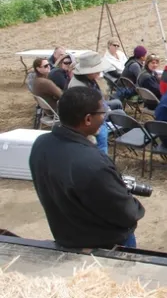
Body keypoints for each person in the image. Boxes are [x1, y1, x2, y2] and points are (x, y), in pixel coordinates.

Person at [29, 87, 145, 249]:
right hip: (105, 245)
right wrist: (134, 203)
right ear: (88, 119)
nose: (104, 117)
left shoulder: (41, 144)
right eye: (102, 112)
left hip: (67, 239)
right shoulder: (93, 163)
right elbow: (127, 214)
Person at [69, 51, 125, 154]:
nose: (100, 71)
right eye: (97, 69)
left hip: (98, 114)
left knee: (117, 106)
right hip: (93, 122)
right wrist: (95, 129)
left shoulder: (88, 79)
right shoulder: (79, 88)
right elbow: (84, 111)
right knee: (101, 147)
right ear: (88, 71)